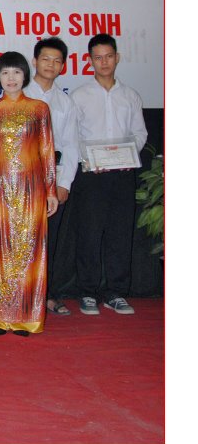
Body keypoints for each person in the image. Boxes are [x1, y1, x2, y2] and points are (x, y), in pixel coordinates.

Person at [0, 51, 58, 336]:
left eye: (17, 72)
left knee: (27, 250)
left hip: (30, 189)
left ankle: (25, 316)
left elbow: (46, 151)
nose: (11, 78)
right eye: (6, 73)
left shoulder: (39, 108)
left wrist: (50, 190)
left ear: (25, 75)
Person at [68, 33, 148, 316]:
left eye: (109, 56)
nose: (104, 62)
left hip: (123, 174)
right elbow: (73, 137)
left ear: (117, 58)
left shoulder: (130, 95)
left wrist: (129, 155)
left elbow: (139, 133)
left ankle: (115, 292)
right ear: (90, 60)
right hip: (92, 174)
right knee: (89, 234)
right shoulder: (79, 96)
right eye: (98, 57)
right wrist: (89, 159)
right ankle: (88, 292)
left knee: (119, 233)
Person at [24, 39, 80, 316]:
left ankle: (46, 294)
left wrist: (63, 183)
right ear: (34, 61)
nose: (51, 65)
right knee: (20, 239)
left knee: (50, 241)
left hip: (51, 178)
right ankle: (19, 295)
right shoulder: (18, 94)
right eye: (46, 59)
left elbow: (71, 145)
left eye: (57, 61)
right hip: (20, 179)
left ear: (63, 66)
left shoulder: (65, 102)